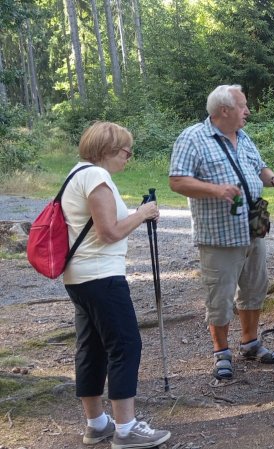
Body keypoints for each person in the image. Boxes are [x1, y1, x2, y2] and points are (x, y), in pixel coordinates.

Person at [169, 85, 274, 380]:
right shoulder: (193, 138)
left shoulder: (244, 136)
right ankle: (221, 353)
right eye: (243, 106)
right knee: (220, 297)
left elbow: (258, 166)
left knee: (254, 288)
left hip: (252, 229)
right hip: (219, 236)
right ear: (225, 111)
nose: (247, 111)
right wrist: (215, 189)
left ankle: (250, 343)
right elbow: (177, 181)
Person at [62, 122, 170, 448]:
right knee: (125, 345)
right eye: (126, 151)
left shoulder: (76, 174)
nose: (129, 156)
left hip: (80, 277)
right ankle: (126, 429)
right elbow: (108, 231)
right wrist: (143, 213)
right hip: (101, 277)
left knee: (91, 348)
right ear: (107, 150)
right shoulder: (96, 177)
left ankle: (96, 424)